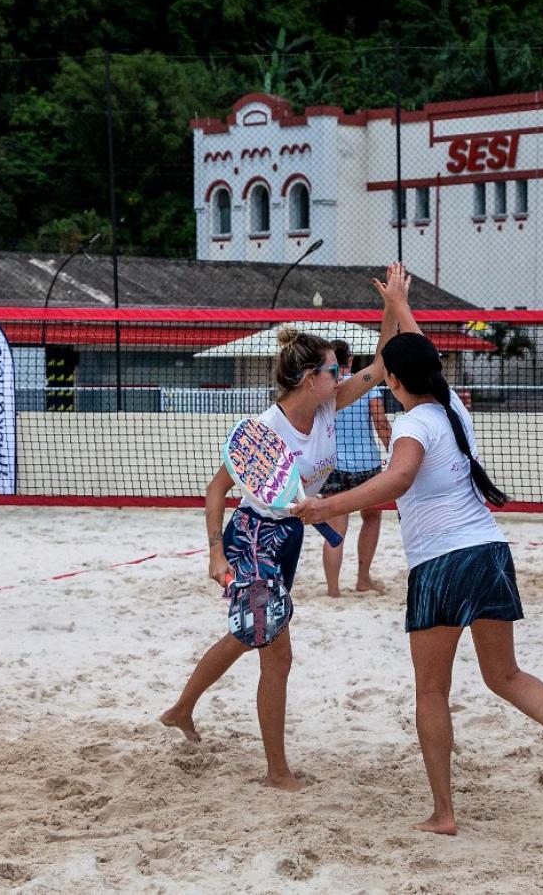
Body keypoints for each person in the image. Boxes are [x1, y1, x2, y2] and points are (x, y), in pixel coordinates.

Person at [295, 266, 543, 833]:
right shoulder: (451, 408)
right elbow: (422, 355)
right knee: (506, 675)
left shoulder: (413, 426)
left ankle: (444, 813)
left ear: (392, 381)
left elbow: (396, 480)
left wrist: (328, 507)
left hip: (441, 563)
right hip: (488, 551)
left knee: (431, 691)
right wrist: (397, 305)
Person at [159, 278, 402, 790]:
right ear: (310, 377)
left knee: (248, 635)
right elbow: (215, 489)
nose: (342, 376)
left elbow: (381, 366)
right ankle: (276, 771)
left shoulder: (330, 408)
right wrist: (214, 553)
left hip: (290, 537)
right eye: (335, 370)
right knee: (276, 650)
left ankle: (181, 708)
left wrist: (392, 306)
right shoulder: (264, 429)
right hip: (253, 539)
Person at [320, 338, 392, 596]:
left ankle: (333, 590)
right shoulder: (368, 387)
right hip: (367, 464)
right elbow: (381, 424)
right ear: (350, 360)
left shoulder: (323, 389)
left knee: (336, 529)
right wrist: (395, 454)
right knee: (371, 519)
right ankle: (363, 579)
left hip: (332, 466)